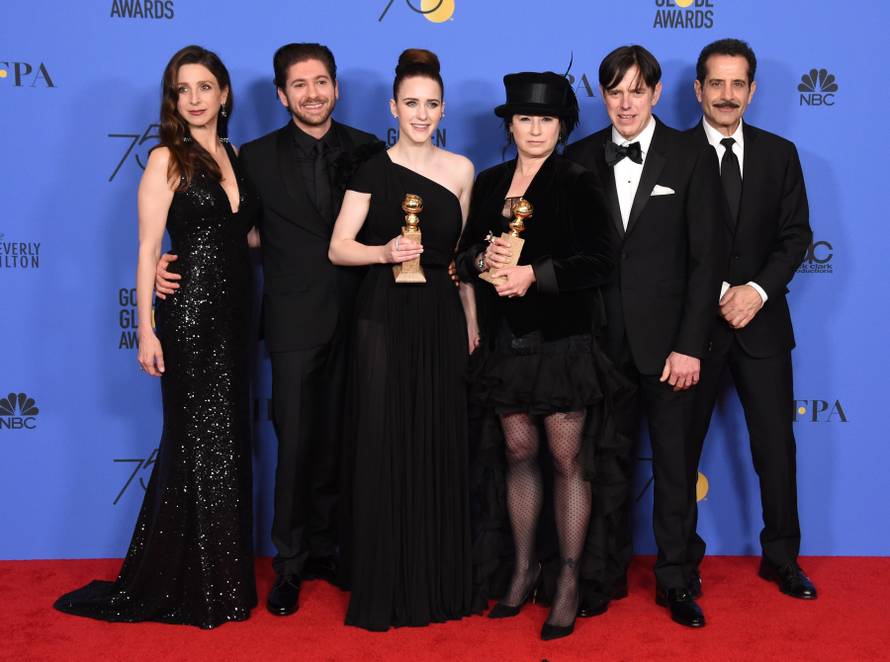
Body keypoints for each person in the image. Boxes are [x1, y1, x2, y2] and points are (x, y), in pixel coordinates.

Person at [156, 43, 381, 616]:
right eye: (299, 84)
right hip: (292, 321)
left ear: (337, 88)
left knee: (347, 440)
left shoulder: (369, 149)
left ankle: (338, 552)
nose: (312, 93)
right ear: (281, 95)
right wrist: (172, 259)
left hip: (366, 319)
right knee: (298, 443)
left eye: (322, 81)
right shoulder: (252, 157)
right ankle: (291, 563)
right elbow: (229, 228)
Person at [55, 45, 259, 629]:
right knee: (196, 444)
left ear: (224, 93)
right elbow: (147, 250)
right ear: (173, 100)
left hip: (238, 317)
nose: (193, 99)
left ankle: (225, 580)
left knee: (228, 444)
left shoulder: (236, 154)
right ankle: (191, 584)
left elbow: (240, 236)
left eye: (203, 87)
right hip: (189, 315)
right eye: (181, 90)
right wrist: (146, 328)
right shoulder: (166, 159)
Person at [455, 71, 627, 641]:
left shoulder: (577, 181)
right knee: (518, 454)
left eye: (546, 119)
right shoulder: (490, 182)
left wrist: (534, 274)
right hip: (507, 347)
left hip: (562, 344)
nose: (534, 129)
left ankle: (570, 581)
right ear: (510, 124)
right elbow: (460, 260)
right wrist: (485, 260)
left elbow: (602, 261)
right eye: (525, 118)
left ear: (562, 127)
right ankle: (524, 569)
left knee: (565, 459)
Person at [565, 45, 726, 628]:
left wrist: (689, 344)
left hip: (671, 348)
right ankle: (600, 577)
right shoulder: (579, 157)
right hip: (602, 346)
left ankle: (678, 580)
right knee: (602, 465)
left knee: (678, 469)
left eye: (637, 90)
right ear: (602, 96)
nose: (626, 102)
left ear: (657, 93)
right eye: (615, 90)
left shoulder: (691, 156)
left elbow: (707, 261)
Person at [328, 48, 475, 631]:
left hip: (440, 314)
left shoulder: (462, 170)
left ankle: (436, 579)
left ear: (443, 108)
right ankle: (386, 584)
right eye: (410, 103)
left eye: (431, 103)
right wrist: (384, 252)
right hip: (384, 311)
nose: (421, 113)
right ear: (393, 106)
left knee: (437, 437)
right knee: (387, 440)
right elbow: (339, 247)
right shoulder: (371, 168)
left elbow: (460, 261)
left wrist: (472, 323)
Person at [685, 38, 816, 599]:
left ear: (753, 90)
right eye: (717, 83)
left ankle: (782, 557)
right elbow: (665, 245)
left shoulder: (780, 154)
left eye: (738, 84)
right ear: (698, 89)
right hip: (693, 328)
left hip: (762, 326)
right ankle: (679, 565)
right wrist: (718, 292)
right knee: (679, 449)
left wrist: (756, 291)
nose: (727, 95)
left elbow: (795, 237)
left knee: (774, 448)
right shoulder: (674, 153)